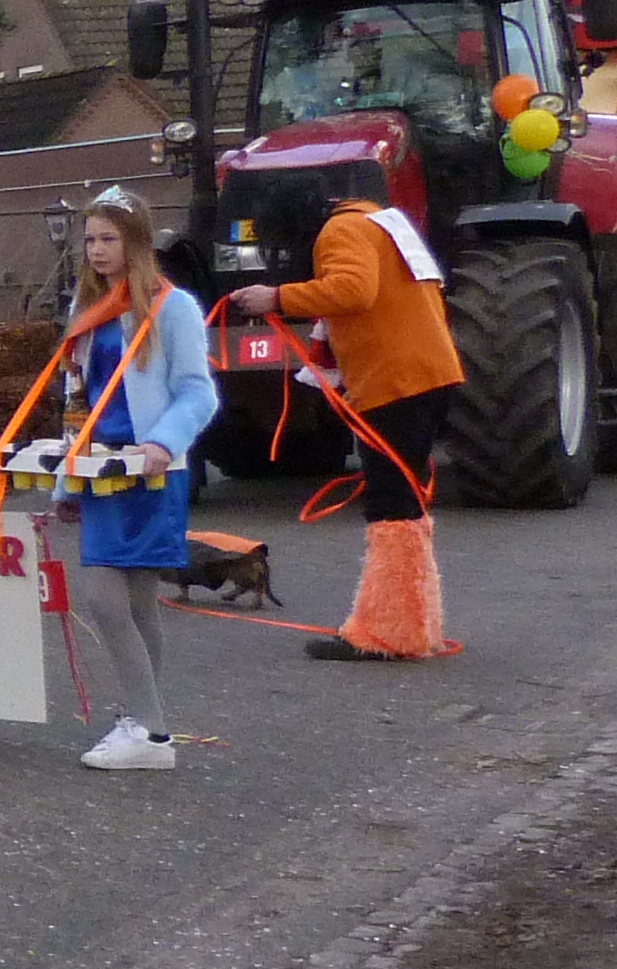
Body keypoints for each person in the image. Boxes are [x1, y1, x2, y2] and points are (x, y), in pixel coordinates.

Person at [219, 165, 462, 662]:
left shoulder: (341, 230)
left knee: (391, 510)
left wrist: (278, 297)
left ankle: (386, 634)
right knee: (406, 510)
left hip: (397, 382)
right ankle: (414, 628)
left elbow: (354, 291)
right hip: (422, 374)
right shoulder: (371, 219)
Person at [48, 185, 216, 773]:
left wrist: (162, 442)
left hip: (147, 472)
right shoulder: (87, 311)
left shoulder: (175, 308)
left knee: (110, 600)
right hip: (98, 469)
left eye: (108, 238)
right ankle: (142, 722)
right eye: (90, 238)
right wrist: (66, 485)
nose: (95, 250)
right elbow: (79, 400)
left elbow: (198, 392)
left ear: (136, 242)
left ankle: (150, 730)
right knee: (133, 603)